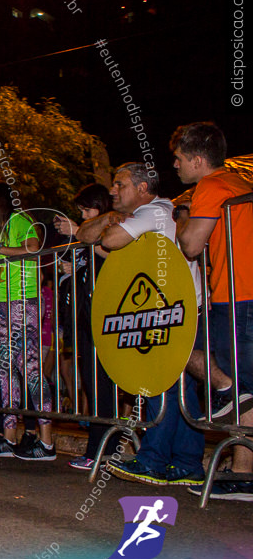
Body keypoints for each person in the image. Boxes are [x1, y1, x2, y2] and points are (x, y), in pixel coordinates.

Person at [77, 162, 205, 486]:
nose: (112, 191)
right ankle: (187, 463)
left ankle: (154, 459)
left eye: (120, 185)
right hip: (161, 309)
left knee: (160, 381)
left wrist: (111, 225)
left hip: (178, 308)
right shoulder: (142, 217)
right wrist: (106, 217)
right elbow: (85, 235)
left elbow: (113, 240)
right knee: (178, 386)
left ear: (143, 188)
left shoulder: (158, 211)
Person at [172, 122, 253, 501]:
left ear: (197, 160)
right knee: (192, 353)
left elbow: (190, 245)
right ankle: (229, 395)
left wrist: (184, 215)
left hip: (236, 297)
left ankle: (242, 473)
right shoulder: (239, 184)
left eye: (178, 159)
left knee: (242, 383)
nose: (175, 165)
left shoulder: (212, 187)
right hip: (237, 295)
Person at [0, 181, 56, 461]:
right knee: (5, 371)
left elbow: (33, 248)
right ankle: (8, 438)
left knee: (30, 369)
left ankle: (46, 441)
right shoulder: (1, 229)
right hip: (0, 305)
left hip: (23, 301)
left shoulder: (20, 220)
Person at [53, 183, 117, 471]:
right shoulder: (88, 236)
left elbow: (112, 256)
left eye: (87, 210)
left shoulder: (113, 227)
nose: (83, 215)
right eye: (80, 212)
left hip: (109, 313)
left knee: (103, 384)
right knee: (91, 383)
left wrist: (79, 229)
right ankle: (99, 446)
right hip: (87, 313)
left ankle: (103, 448)